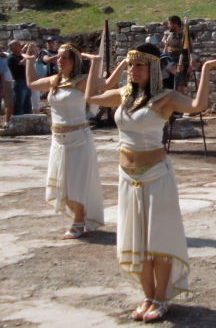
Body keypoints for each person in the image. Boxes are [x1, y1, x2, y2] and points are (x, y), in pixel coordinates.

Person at [85, 43, 216, 322]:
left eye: (139, 65)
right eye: (130, 65)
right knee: (136, 239)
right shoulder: (123, 95)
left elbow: (199, 106)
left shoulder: (166, 98)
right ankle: (148, 296)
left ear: (151, 68)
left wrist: (207, 70)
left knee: (158, 237)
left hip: (156, 175)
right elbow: (90, 95)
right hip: (127, 177)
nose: (133, 71)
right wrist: (99, 63)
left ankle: (161, 297)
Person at [23, 44, 126, 239]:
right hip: (58, 139)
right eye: (58, 57)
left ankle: (78, 221)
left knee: (77, 182)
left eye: (65, 58)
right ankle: (77, 218)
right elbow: (32, 84)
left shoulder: (81, 81)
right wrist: (29, 62)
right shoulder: (54, 80)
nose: (60, 61)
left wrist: (121, 63)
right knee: (63, 181)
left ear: (74, 61)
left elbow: (108, 84)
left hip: (79, 138)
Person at [162, 16, 198, 94]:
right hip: (170, 65)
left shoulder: (186, 35)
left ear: (175, 25)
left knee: (180, 89)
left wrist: (190, 66)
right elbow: (165, 50)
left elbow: (189, 51)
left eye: (170, 24)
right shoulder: (168, 34)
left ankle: (181, 105)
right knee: (170, 88)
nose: (168, 26)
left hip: (182, 65)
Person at [7, 40, 32, 116]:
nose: (20, 46)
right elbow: (24, 62)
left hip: (26, 82)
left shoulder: (20, 56)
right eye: (18, 45)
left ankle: (28, 122)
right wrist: (27, 50)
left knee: (28, 105)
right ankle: (18, 122)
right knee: (19, 105)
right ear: (13, 48)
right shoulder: (12, 58)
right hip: (19, 83)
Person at [0, 48, 13, 125]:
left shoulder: (6, 55)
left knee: (10, 104)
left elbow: (11, 57)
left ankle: (7, 123)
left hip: (8, 81)